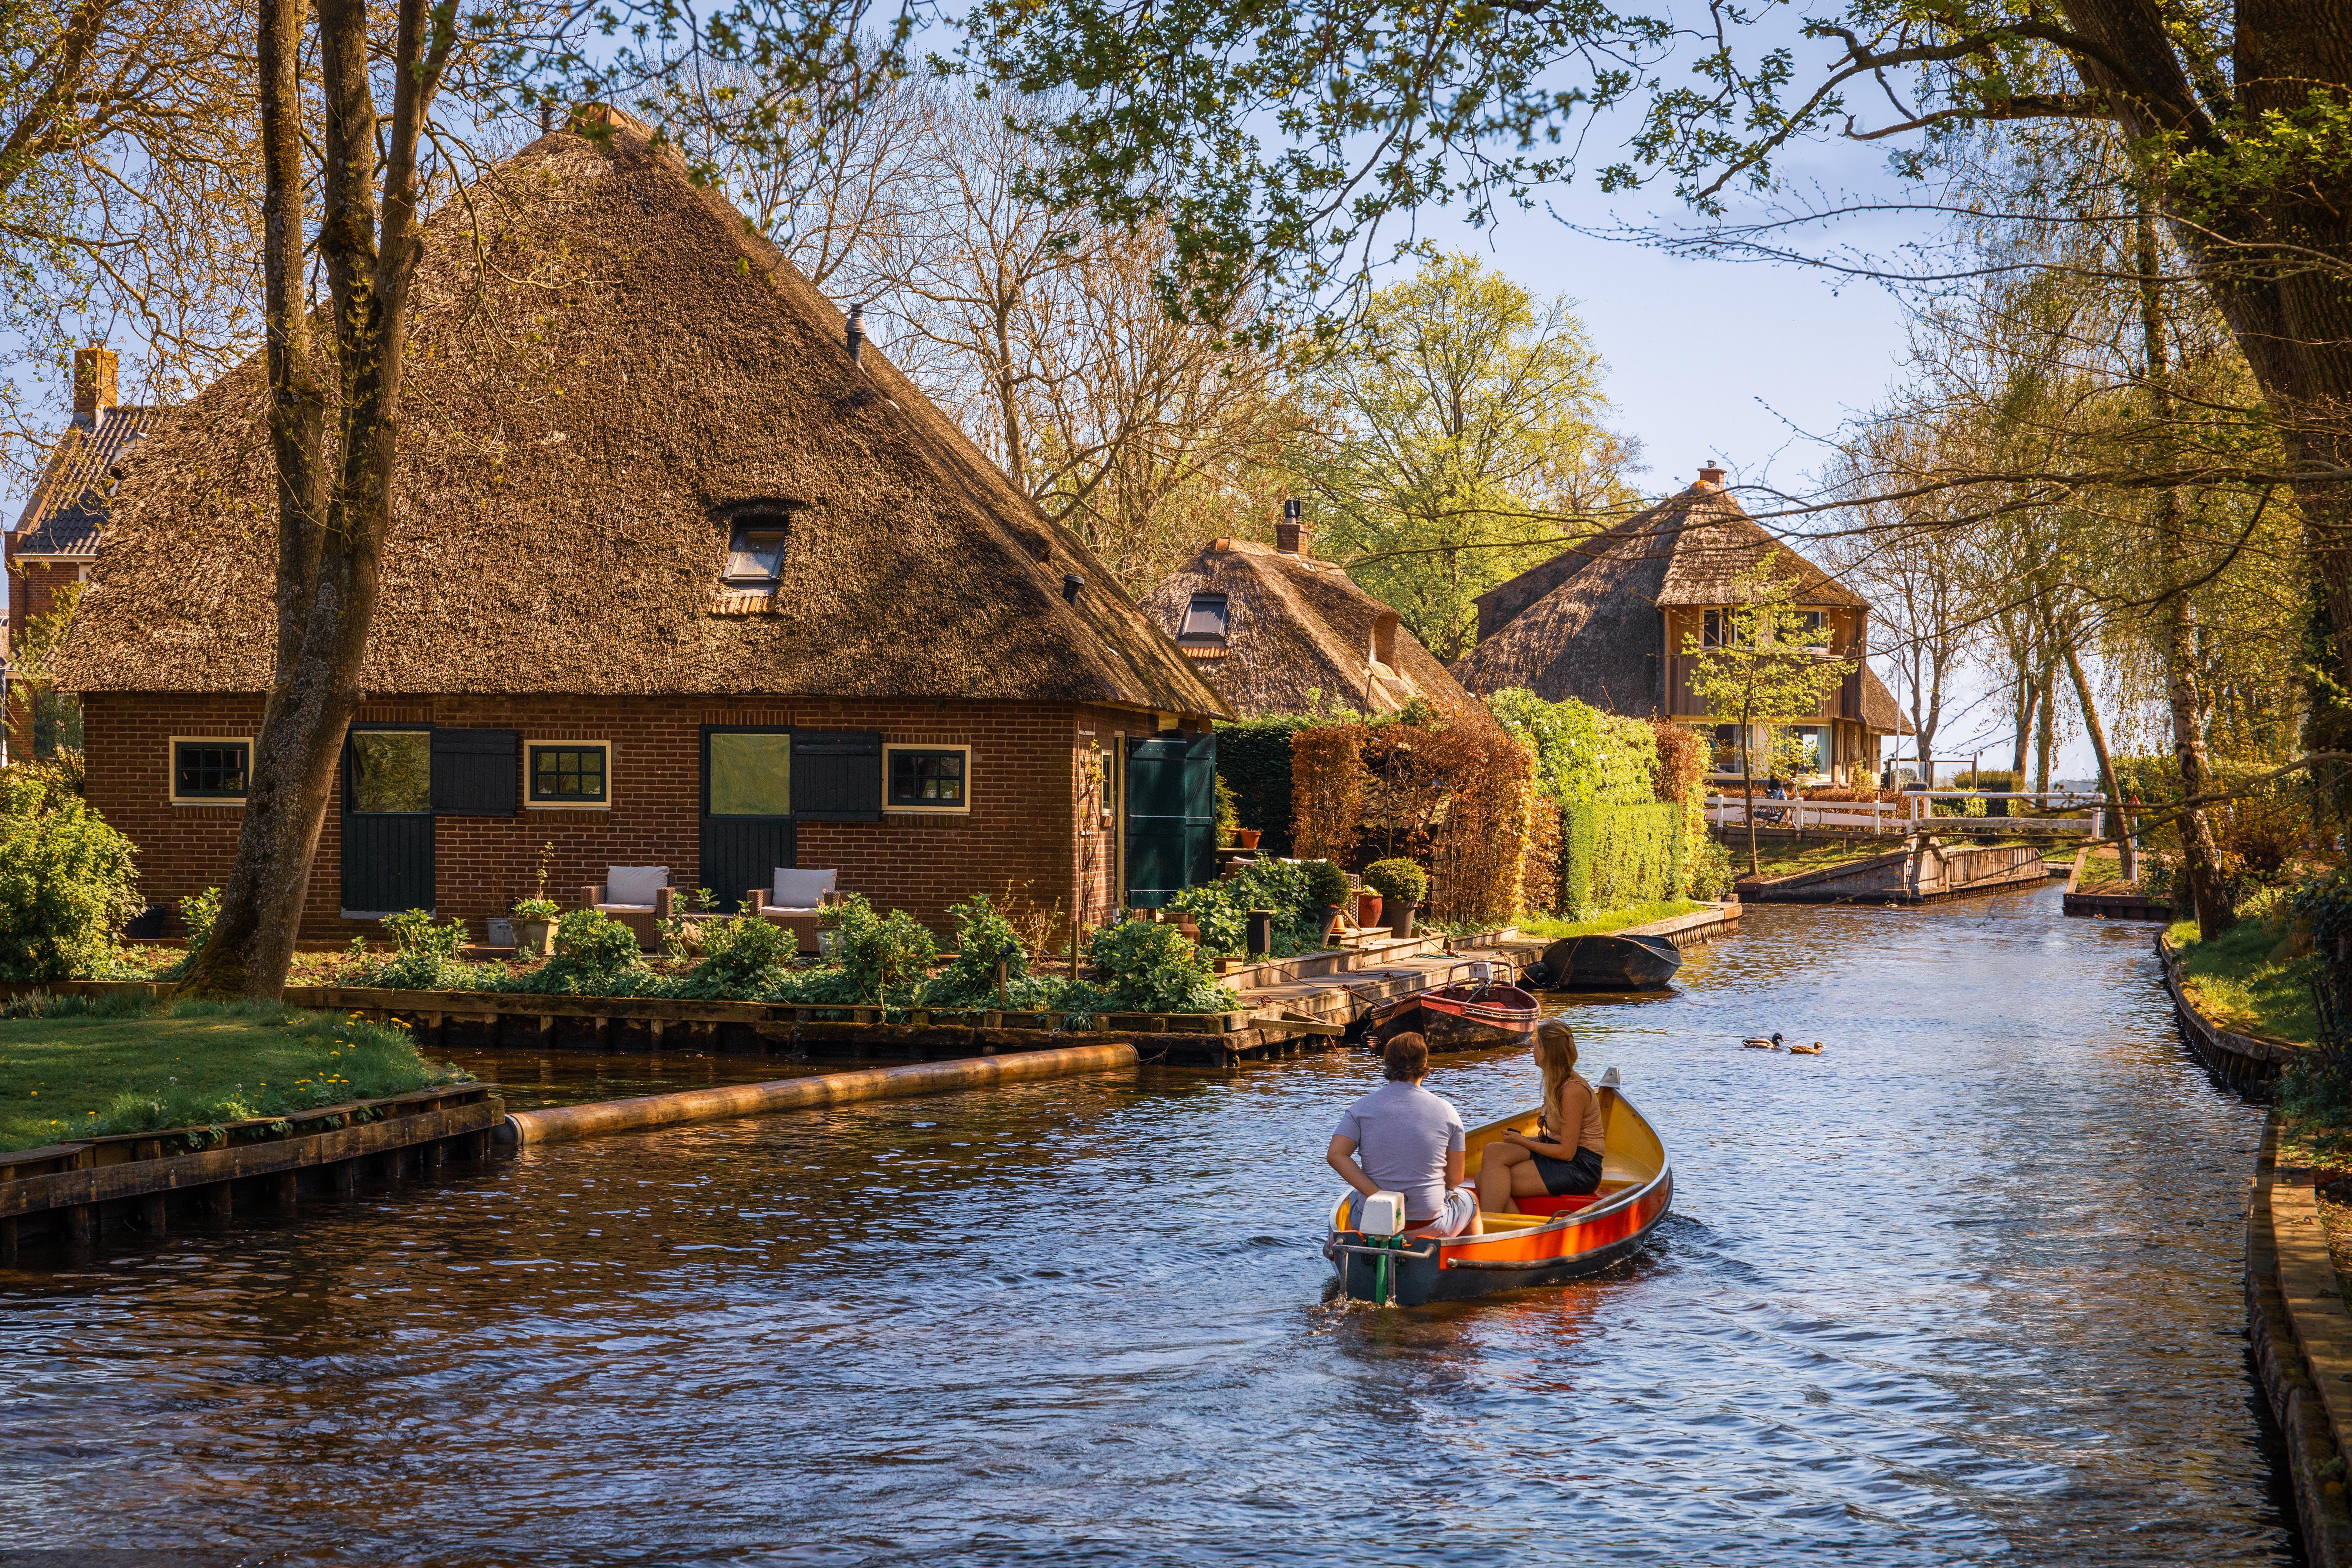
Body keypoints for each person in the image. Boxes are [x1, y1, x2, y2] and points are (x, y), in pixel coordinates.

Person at [1327, 1033, 1482, 1238]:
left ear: (1387, 1064)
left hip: (1372, 1222)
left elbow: (1336, 1155)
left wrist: (1379, 1195)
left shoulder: (1361, 1108)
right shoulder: (1447, 1111)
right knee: (1471, 1201)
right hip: (1430, 1224)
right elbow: (1454, 1179)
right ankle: (1467, 1261)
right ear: (1425, 1063)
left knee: (1354, 1198)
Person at [1476, 1019, 1605, 1213]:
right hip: (1562, 1154)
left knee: (1489, 1180)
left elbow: (1567, 1152)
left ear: (1547, 1051)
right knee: (1493, 1154)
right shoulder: (1557, 1083)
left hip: (1581, 1166)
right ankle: (1514, 1230)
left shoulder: (1573, 1090)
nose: (1533, 1050)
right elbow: (1557, 1139)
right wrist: (1522, 1140)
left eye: (1536, 1045)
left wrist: (1523, 1141)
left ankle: (1487, 1230)